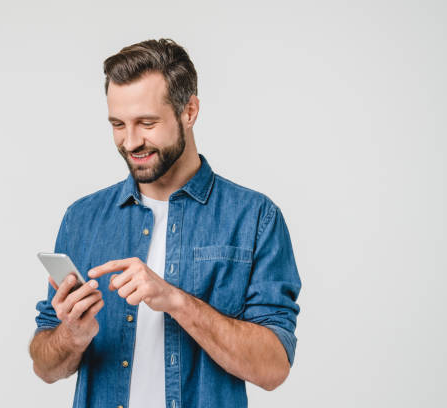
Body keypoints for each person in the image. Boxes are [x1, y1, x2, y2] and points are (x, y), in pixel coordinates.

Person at [29, 38, 301, 408]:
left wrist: (175, 300)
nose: (130, 142)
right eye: (118, 125)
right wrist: (72, 335)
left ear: (189, 111)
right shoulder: (82, 218)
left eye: (147, 122)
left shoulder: (254, 217)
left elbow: (274, 368)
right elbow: (45, 368)